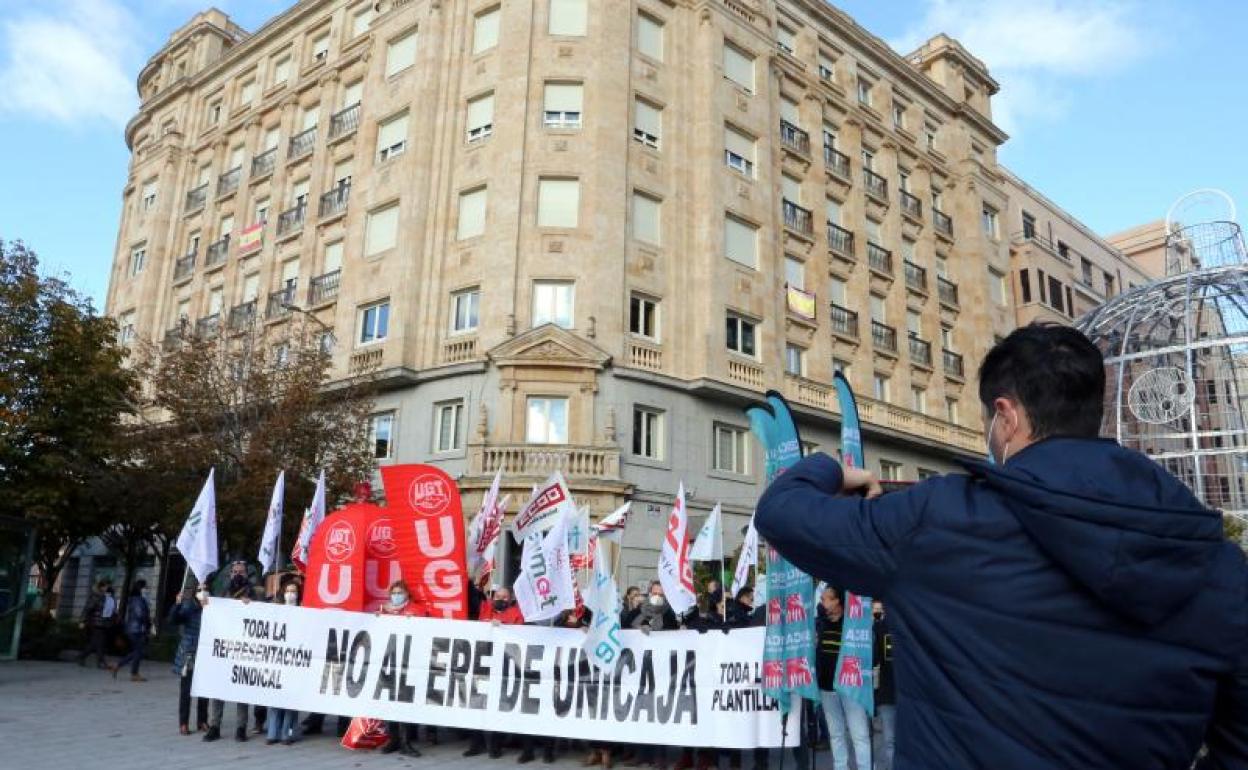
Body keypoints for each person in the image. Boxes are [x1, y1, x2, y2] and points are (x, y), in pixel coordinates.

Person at [755, 323, 1248, 769]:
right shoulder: (1216, 562)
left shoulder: (939, 519)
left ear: (1006, 416)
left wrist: (832, 469)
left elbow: (782, 511)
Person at [204, 561, 262, 742]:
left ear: (247, 574)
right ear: (230, 574)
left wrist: (251, 605)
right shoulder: (223, 592)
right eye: (235, 572)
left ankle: (240, 727)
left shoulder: (255, 592)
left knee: (241, 689)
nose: (238, 574)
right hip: (224, 647)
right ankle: (214, 726)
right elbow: (213, 610)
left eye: (242, 572)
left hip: (244, 649)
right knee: (218, 688)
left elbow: (263, 614)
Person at [812, 587, 869, 770]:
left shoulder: (852, 625)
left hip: (850, 688)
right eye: (821, 599)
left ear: (838, 602)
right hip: (827, 688)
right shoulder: (820, 624)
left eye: (827, 599)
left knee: (859, 735)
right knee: (836, 734)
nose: (822, 603)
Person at [464, 587, 524, 759]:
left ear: (510, 599)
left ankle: (495, 745)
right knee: (477, 703)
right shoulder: (484, 608)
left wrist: (504, 628)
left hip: (503, 666)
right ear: (492, 597)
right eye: (498, 596)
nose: (501, 599)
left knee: (498, 705)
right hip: (481, 664)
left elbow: (519, 636)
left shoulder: (516, 614)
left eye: (505, 597)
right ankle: (475, 744)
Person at [377, 580, 427, 756]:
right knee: (390, 699)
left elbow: (427, 631)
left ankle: (405, 741)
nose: (396, 596)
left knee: (404, 700)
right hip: (388, 660)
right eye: (394, 592)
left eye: (400, 592)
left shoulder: (417, 610)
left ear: (407, 594)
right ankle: (394, 740)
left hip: (408, 661)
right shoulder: (383, 610)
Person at [266, 580, 304, 746]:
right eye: (288, 591)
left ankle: (288, 733)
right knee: (275, 698)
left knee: (290, 700)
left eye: (294, 591)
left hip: (295, 660)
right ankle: (272, 732)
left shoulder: (304, 610)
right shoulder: (276, 609)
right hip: (277, 659)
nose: (291, 594)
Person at [168, 584, 209, 735]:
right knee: (186, 690)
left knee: (204, 690)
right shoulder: (188, 607)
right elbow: (174, 620)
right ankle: (183, 723)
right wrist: (176, 605)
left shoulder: (211, 608)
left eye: (205, 589)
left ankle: (202, 720)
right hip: (189, 653)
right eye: (199, 589)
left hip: (205, 653)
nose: (202, 592)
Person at [872, 601, 896, 770]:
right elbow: (874, 660)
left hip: (908, 695)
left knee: (893, 741)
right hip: (888, 692)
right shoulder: (879, 628)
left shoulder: (912, 625)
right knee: (890, 741)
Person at [110, 580, 150, 681]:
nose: (147, 589)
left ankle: (118, 666)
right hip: (137, 628)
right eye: (145, 587)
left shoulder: (133, 599)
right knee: (139, 651)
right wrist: (148, 623)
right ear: (140, 588)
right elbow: (140, 614)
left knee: (138, 651)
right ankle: (133, 673)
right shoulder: (139, 600)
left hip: (132, 628)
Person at [77, 579, 113, 668]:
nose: (107, 587)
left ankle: (82, 656)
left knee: (96, 643)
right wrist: (82, 621)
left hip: (103, 622)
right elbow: (87, 609)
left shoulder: (105, 597)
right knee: (99, 643)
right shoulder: (96, 596)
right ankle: (100, 661)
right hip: (97, 622)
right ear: (101, 587)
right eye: (106, 586)